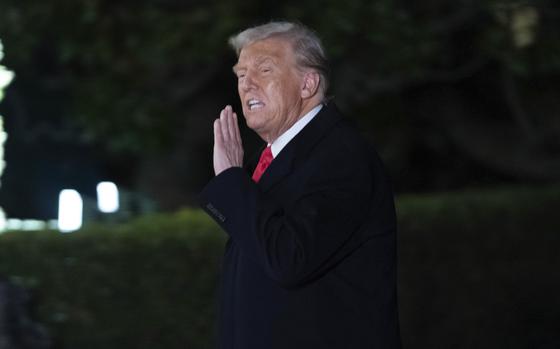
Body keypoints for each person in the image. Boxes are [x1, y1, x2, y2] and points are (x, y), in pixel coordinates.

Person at [199, 21, 401, 349]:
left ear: (308, 84)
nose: (246, 84)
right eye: (240, 74)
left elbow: (288, 259)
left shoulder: (341, 157)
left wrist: (232, 182)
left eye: (264, 70)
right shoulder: (274, 160)